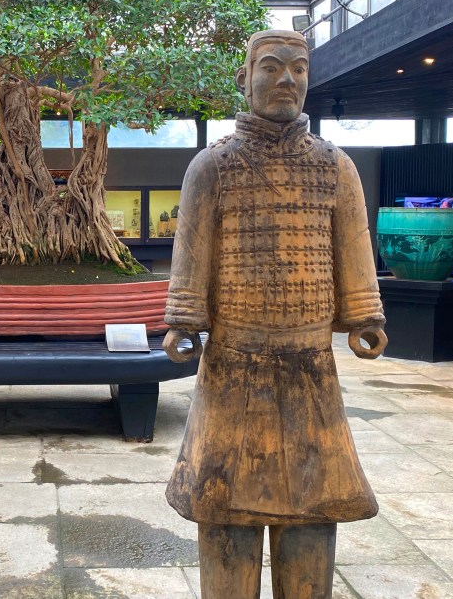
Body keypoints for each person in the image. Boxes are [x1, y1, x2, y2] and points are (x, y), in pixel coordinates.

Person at [162, 29, 387, 599]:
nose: (288, 79)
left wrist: (364, 314)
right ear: (244, 78)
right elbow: (192, 255)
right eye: (271, 67)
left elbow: (353, 248)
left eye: (299, 69)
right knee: (225, 515)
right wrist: (184, 321)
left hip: (311, 367)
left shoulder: (335, 167)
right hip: (233, 365)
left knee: (314, 514)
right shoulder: (211, 167)